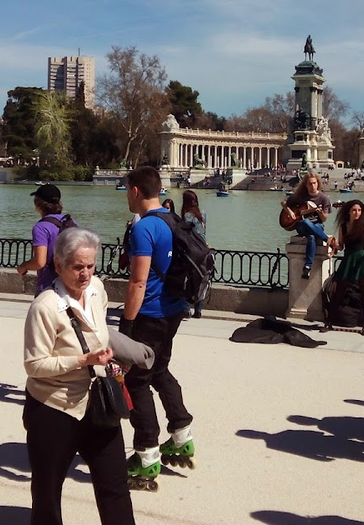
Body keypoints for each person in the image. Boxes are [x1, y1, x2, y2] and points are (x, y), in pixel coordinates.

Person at [23, 228, 135, 524]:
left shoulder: (97, 289)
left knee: (115, 484)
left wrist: (110, 358)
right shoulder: (44, 307)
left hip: (98, 403)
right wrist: (82, 360)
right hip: (53, 408)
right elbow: (34, 365)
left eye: (90, 266)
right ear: (58, 265)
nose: (85, 274)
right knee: (47, 491)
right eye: (77, 267)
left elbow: (100, 333)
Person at [120, 167, 194, 490]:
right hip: (174, 310)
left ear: (135, 191)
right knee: (160, 370)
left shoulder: (144, 228)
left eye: (127, 190)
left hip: (150, 314)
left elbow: (138, 282)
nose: (127, 196)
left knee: (137, 381)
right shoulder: (172, 219)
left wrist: (126, 325)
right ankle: (181, 435)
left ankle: (147, 455)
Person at [325, 200, 364, 335]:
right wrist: (335, 245)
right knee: (338, 292)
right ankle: (329, 322)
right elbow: (341, 246)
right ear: (349, 212)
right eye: (354, 210)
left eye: (359, 210)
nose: (357, 213)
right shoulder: (343, 227)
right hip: (348, 259)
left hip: (361, 261)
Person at [17, 184, 77, 295]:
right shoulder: (71, 222)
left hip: (49, 287)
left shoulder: (41, 227)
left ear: (38, 204)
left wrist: (23, 266)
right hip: (71, 284)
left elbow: (39, 262)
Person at [280, 172, 331, 279]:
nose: (312, 186)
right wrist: (290, 212)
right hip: (302, 225)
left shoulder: (324, 198)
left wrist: (320, 212)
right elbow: (283, 203)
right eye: (310, 184)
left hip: (317, 225)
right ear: (306, 185)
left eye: (314, 183)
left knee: (311, 237)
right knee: (305, 222)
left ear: (318, 184)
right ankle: (328, 240)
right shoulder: (300, 196)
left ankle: (307, 267)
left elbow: (324, 219)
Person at [181, 190, 207, 318]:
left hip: (191, 251)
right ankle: (198, 310)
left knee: (187, 280)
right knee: (201, 280)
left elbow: (185, 235)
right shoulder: (203, 214)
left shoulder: (186, 216)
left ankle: (186, 309)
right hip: (204, 250)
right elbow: (204, 232)